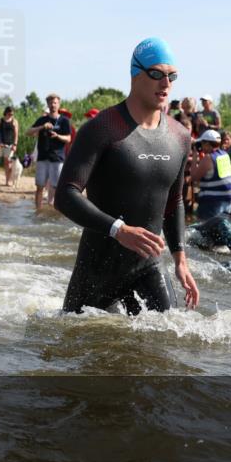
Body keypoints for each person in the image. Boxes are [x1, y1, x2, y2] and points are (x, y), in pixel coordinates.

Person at [55, 37, 198, 315]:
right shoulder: (102, 128)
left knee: (167, 345)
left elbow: (174, 201)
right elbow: (65, 195)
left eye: (172, 76)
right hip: (98, 267)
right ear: (135, 74)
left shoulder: (180, 137)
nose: (165, 83)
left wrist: (180, 259)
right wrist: (118, 229)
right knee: (73, 347)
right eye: (156, 73)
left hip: (148, 265)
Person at [28, 94, 72, 209]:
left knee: (56, 187)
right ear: (47, 104)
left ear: (59, 104)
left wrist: (57, 136)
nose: (53, 105)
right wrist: (42, 127)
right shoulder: (42, 120)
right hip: (42, 158)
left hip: (57, 158)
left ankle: (54, 211)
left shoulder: (64, 121)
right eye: (51, 103)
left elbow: (68, 139)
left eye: (55, 103)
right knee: (39, 186)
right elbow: (28, 132)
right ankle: (38, 211)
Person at [191, 129, 231, 220]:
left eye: (202, 143)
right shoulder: (224, 155)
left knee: (207, 229)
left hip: (214, 201)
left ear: (207, 144)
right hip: (227, 199)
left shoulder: (208, 158)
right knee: (222, 228)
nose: (200, 146)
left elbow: (194, 177)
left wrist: (194, 156)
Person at [0, 106, 20, 186]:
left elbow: (16, 134)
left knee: (8, 163)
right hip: (0, 145)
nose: (11, 115)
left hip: (10, 145)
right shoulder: (0, 120)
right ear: (6, 112)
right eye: (10, 113)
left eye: (12, 113)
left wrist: (15, 144)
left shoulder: (14, 121)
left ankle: (8, 180)